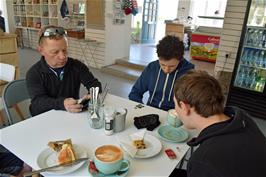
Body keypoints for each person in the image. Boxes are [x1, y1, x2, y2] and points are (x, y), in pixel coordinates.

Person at [170, 70, 266, 177]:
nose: (175, 109)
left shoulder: (204, 161)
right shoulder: (241, 117)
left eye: (175, 104)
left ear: (184, 107)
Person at [26, 26, 101, 116]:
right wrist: (62, 103)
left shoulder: (76, 66)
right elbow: (38, 102)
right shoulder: (34, 73)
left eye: (64, 50)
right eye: (55, 52)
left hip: (69, 115)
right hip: (44, 117)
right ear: (41, 50)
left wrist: (91, 95)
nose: (62, 57)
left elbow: (95, 84)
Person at [128, 35, 194, 111]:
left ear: (180, 59)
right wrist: (142, 109)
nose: (166, 70)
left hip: (175, 115)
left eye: (172, 66)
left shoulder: (189, 72)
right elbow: (135, 92)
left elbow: (192, 102)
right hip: (151, 111)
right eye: (162, 65)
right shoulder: (152, 67)